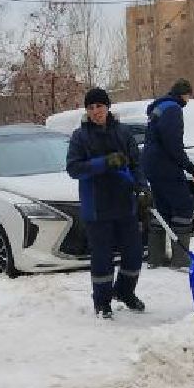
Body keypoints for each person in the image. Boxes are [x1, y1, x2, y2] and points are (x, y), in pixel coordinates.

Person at [65, 87, 147, 318]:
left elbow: (136, 164)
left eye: (99, 106)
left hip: (124, 204)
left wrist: (142, 187)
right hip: (97, 207)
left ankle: (124, 291)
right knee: (102, 258)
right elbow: (74, 169)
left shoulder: (123, 133)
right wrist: (104, 163)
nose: (95, 111)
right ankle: (102, 302)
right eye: (90, 108)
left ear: (107, 107)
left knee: (134, 254)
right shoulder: (80, 137)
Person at [141, 80, 194, 269]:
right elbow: (173, 143)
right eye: (188, 96)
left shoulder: (159, 108)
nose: (188, 100)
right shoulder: (173, 109)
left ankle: (156, 258)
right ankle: (181, 259)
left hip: (151, 165)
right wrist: (188, 165)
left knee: (162, 208)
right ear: (183, 94)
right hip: (166, 165)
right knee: (183, 207)